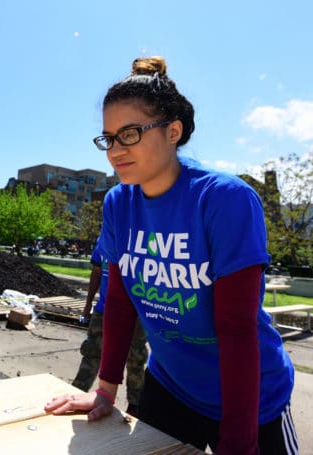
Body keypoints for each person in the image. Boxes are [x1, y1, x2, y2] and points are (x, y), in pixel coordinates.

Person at [45, 57, 297, 454]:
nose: (114, 151)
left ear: (173, 131)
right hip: (171, 389)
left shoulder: (224, 199)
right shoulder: (118, 203)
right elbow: (121, 300)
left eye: (129, 134)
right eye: (109, 138)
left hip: (251, 400)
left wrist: (237, 443)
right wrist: (105, 392)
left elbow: (236, 328)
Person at [72, 236, 148, 417]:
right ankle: (78, 392)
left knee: (135, 357)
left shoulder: (140, 240)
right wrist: (88, 304)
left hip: (134, 313)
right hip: (103, 310)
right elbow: (96, 272)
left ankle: (135, 405)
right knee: (92, 352)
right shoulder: (103, 241)